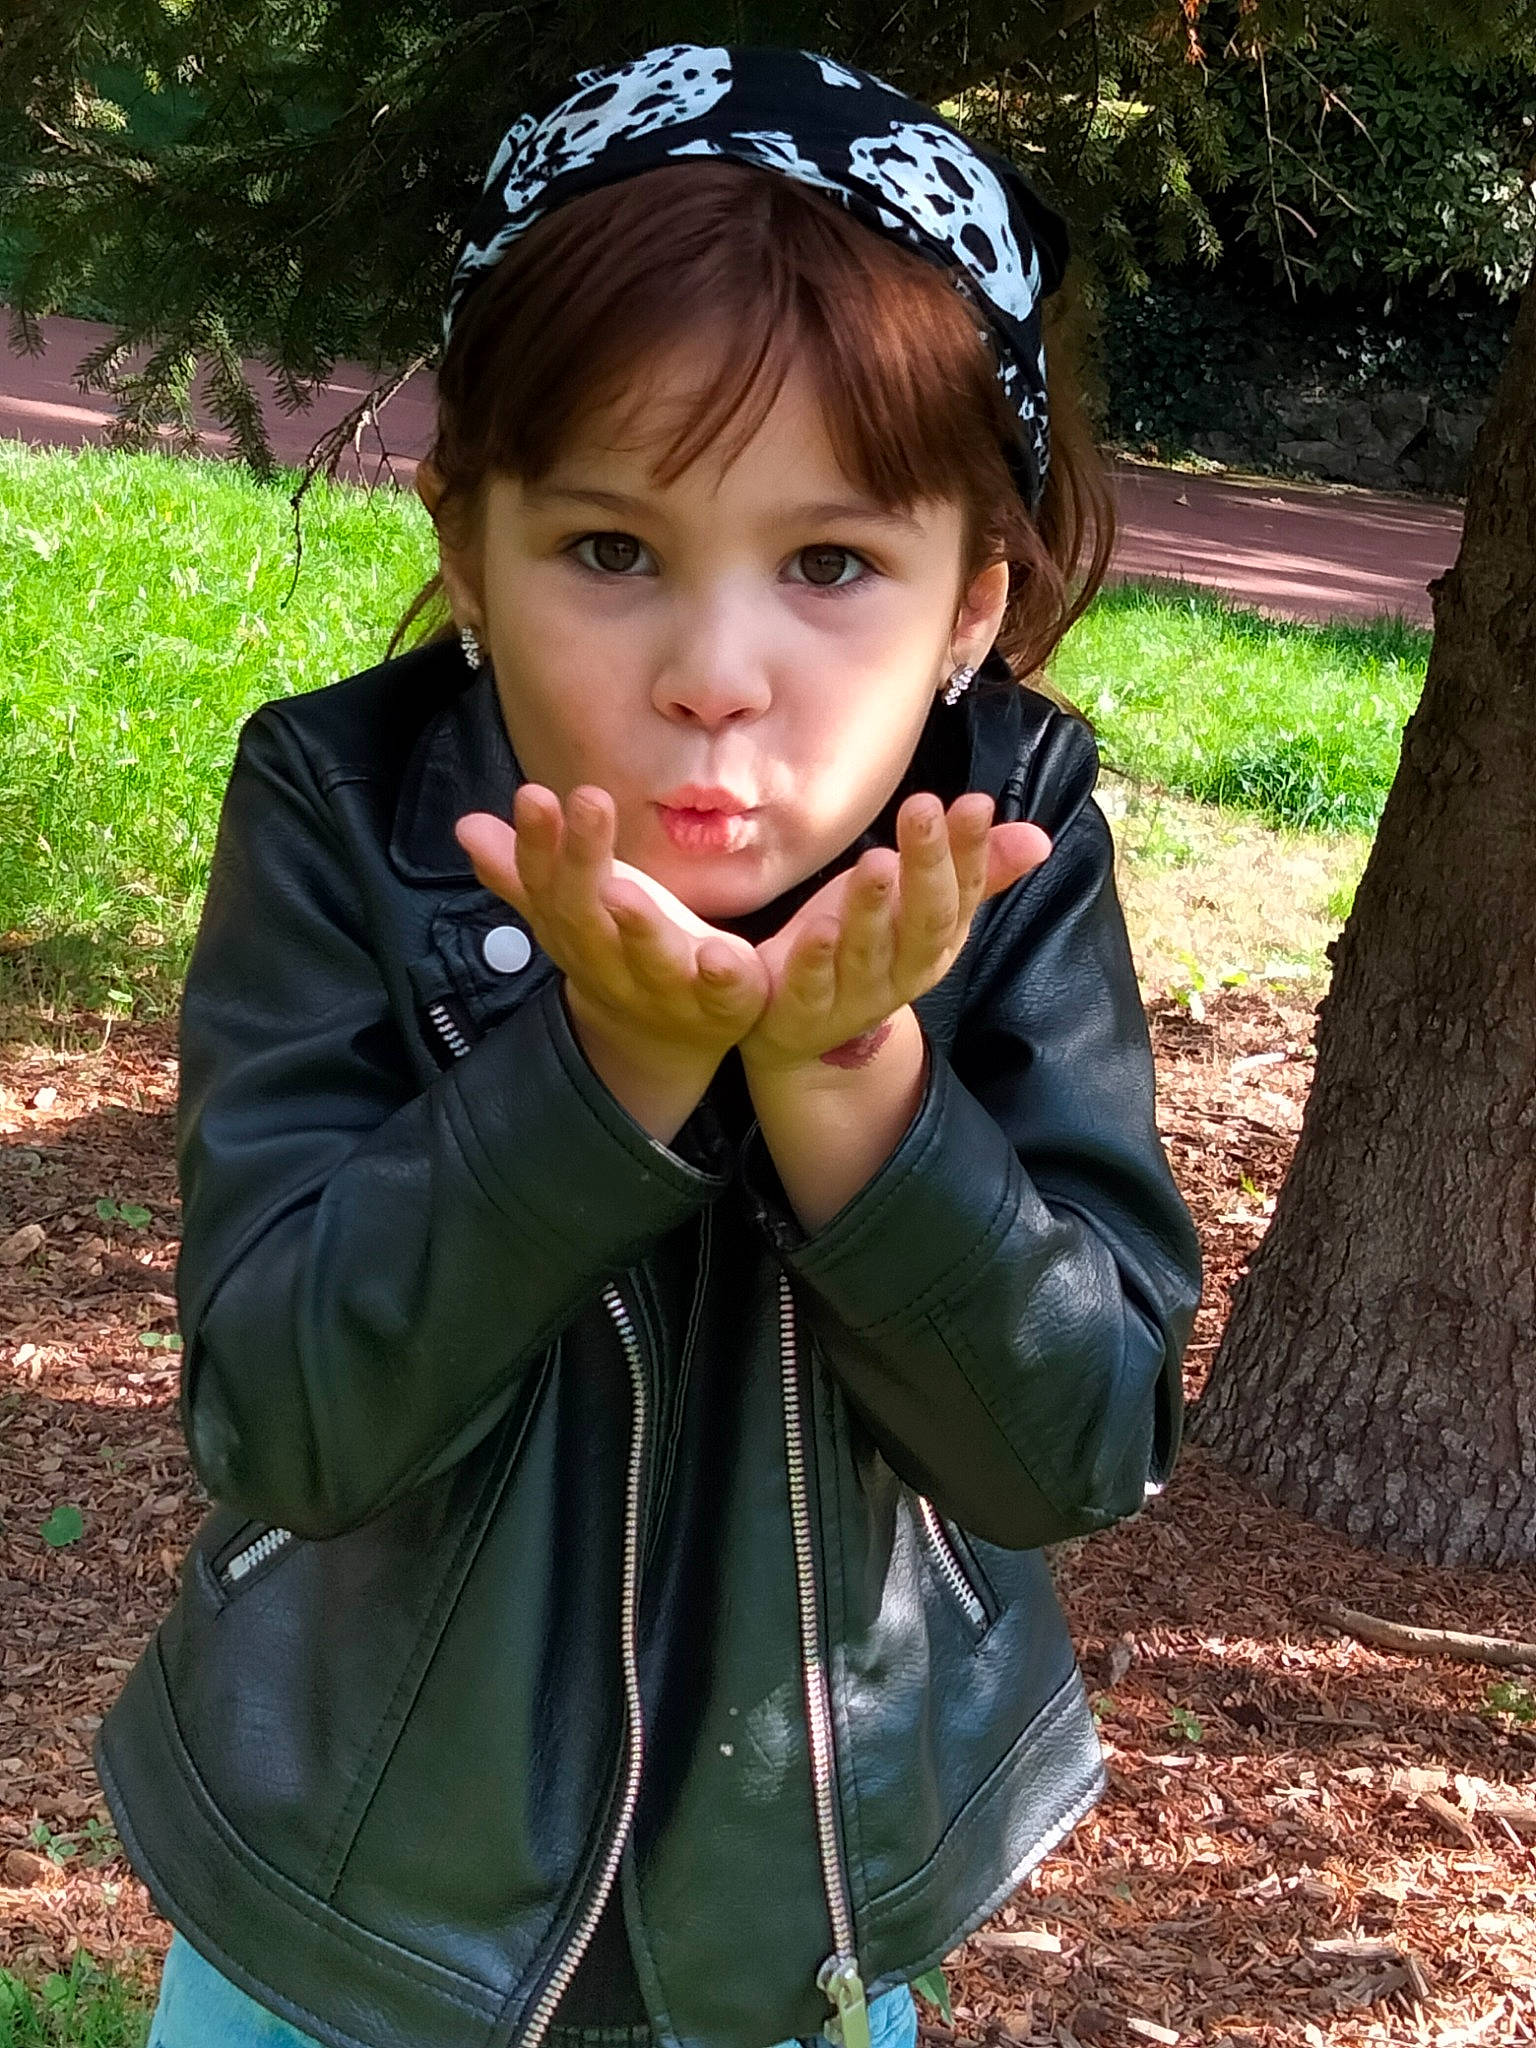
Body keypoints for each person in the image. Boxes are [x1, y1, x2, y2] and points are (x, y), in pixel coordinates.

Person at [103, 42, 1203, 2048]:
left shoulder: (1013, 851)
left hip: (803, 1934)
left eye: (830, 564)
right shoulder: (345, 813)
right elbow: (285, 1421)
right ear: (468, 540)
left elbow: (1070, 1447)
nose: (715, 676)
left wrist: (851, 1082)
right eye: (612, 550)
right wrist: (603, 1069)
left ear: (973, 602)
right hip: (345, 1919)